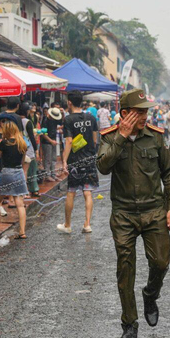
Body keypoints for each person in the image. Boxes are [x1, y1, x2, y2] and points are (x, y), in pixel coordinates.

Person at [96, 89, 170, 338]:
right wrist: (120, 136)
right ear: (124, 114)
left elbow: (169, 174)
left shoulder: (155, 137)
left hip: (154, 210)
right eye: (139, 111)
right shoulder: (109, 138)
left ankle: (150, 294)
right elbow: (103, 166)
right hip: (123, 214)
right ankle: (129, 323)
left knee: (161, 262)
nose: (144, 115)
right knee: (125, 268)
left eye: (146, 111)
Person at [58, 92, 99, 234]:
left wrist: (64, 161)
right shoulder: (91, 118)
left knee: (71, 192)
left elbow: (68, 141)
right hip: (89, 159)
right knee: (88, 192)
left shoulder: (68, 119)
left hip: (74, 161)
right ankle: (87, 224)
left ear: (69, 102)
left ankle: (68, 225)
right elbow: (94, 140)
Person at [0, 121, 29, 239]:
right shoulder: (22, 143)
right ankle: (22, 232)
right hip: (18, 172)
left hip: (7, 172)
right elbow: (23, 161)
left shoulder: (4, 143)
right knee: (20, 203)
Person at [41, 106, 63, 182]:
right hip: (47, 142)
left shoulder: (54, 120)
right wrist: (51, 141)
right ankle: (47, 175)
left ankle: (53, 174)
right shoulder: (45, 121)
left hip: (53, 141)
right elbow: (43, 134)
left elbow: (58, 125)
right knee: (48, 159)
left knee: (53, 159)